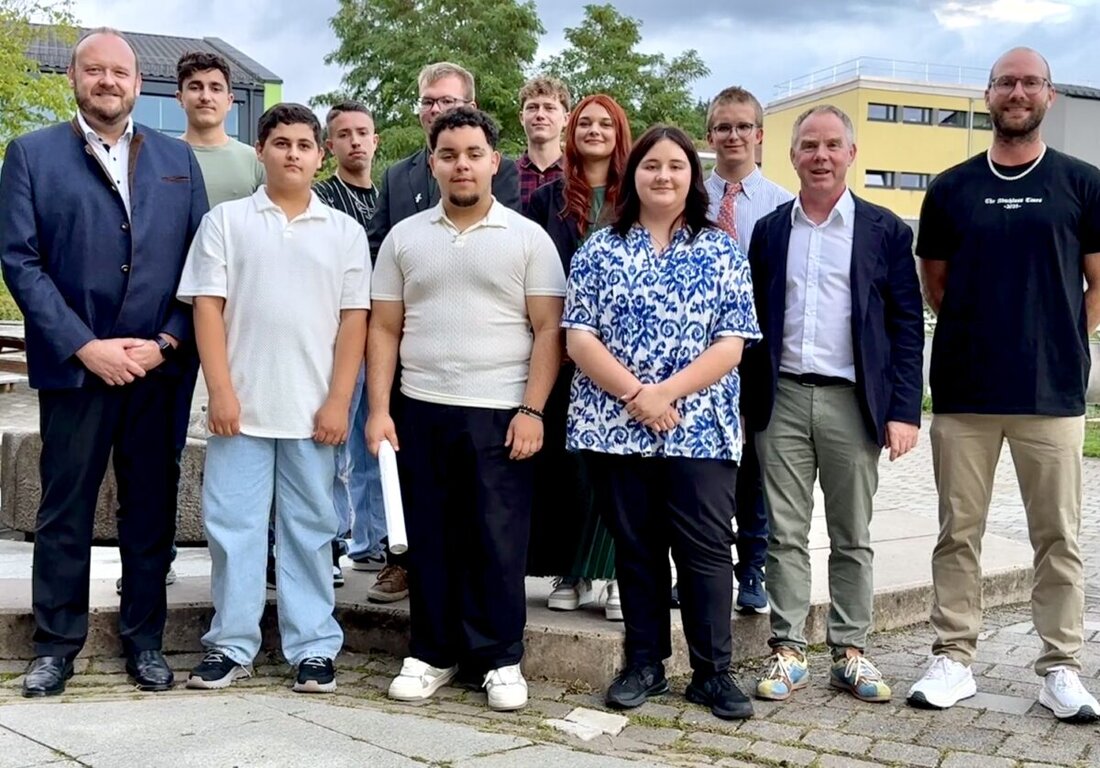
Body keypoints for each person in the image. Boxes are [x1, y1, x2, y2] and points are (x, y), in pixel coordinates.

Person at [0, 28, 208, 697]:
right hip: (76, 368)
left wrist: (167, 343)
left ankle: (144, 641)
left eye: (119, 71)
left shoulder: (178, 160)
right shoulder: (30, 155)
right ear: (74, 78)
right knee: (65, 509)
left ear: (136, 83)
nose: (108, 81)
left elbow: (203, 268)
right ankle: (56, 646)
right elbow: (20, 261)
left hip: (158, 371)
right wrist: (84, 344)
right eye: (95, 70)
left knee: (149, 511)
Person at [907, 47, 1100, 723]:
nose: (1017, 92)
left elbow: (1096, 283)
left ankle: (1060, 668)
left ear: (1048, 95)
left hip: (1051, 394)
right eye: (1005, 83)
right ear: (988, 95)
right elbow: (936, 282)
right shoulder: (951, 188)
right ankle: (954, 658)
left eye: (1029, 82)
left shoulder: (1082, 182)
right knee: (958, 532)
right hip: (965, 392)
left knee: (1059, 537)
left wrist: (1060, 340)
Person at [368, 107, 565, 711]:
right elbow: (383, 329)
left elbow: (549, 330)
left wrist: (532, 410)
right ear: (432, 162)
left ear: (492, 161)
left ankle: (500, 658)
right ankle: (432, 653)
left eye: (473, 153)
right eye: (448, 154)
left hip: (501, 413)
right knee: (431, 540)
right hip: (421, 409)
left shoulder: (529, 238)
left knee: (497, 542)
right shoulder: (405, 237)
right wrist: (379, 411)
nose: (461, 165)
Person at [564, 124, 761, 720]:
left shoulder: (720, 248)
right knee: (637, 548)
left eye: (676, 165)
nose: (663, 175)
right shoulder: (600, 248)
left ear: (691, 177)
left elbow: (732, 344)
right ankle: (644, 664)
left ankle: (712, 673)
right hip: (614, 425)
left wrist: (665, 394)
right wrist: (635, 396)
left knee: (703, 550)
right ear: (633, 175)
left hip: (699, 426)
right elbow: (579, 337)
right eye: (652, 165)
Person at [178, 103, 370, 694]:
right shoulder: (226, 222)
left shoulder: (344, 232)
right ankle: (231, 644)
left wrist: (340, 401)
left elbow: (355, 321)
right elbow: (208, 308)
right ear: (259, 151)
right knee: (232, 528)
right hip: (243, 411)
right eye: (280, 142)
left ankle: (312, 646)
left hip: (315, 412)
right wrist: (222, 393)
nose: (293, 153)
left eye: (304, 144)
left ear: (320, 155)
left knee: (311, 529)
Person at [740, 105, 923, 705]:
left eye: (831, 145)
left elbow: (905, 327)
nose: (820, 156)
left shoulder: (886, 230)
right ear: (791, 155)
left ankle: (850, 651)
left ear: (851, 153)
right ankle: (788, 649)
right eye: (808, 146)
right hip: (783, 397)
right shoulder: (771, 231)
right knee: (786, 534)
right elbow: (753, 323)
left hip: (853, 402)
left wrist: (904, 410)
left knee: (852, 533)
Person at [364, 61, 520, 604]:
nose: (439, 110)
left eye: (449, 102)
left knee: (487, 523)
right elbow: (381, 260)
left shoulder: (512, 195)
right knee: (421, 505)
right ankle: (412, 593)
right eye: (430, 102)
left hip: (493, 387)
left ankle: (495, 651)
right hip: (418, 371)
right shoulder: (398, 178)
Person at [523, 93, 631, 620]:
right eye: (584, 122)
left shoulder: (634, 193)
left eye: (603, 123)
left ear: (618, 132)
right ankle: (572, 569)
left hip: (626, 352)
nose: (593, 130)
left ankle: (612, 576)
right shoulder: (547, 198)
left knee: (615, 465)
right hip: (565, 350)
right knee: (573, 466)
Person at [704, 86, 794, 614]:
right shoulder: (690, 197)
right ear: (711, 135)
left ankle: (753, 567)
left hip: (760, 351)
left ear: (759, 136)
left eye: (743, 127)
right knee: (708, 464)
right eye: (723, 127)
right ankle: (706, 562)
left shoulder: (783, 204)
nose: (733, 136)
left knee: (756, 467)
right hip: (699, 352)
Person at [313, 101, 385, 587]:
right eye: (345, 134)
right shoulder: (320, 198)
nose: (356, 141)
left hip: (382, 334)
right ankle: (330, 542)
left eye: (363, 132)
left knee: (373, 444)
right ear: (330, 146)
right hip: (334, 335)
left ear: (375, 140)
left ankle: (372, 541)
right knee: (333, 445)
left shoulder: (389, 194)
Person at [176, 51, 265, 207]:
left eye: (215, 89)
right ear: (180, 98)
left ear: (229, 101)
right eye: (195, 87)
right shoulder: (161, 158)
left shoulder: (255, 161)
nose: (205, 97)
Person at [517, 76, 570, 207]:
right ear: (521, 117)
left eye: (549, 108)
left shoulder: (577, 175)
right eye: (532, 107)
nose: (540, 115)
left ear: (566, 119)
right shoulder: (504, 176)